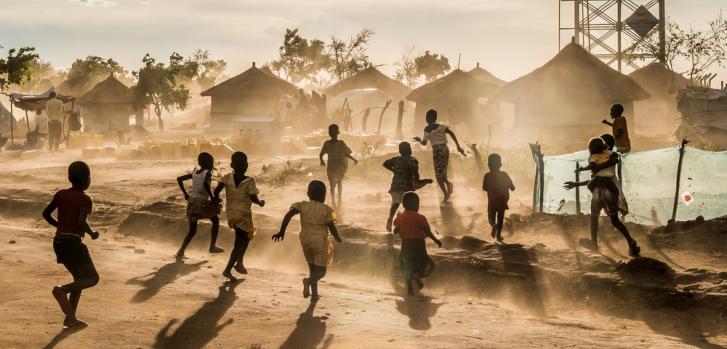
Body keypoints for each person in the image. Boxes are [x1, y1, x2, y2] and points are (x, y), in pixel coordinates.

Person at [42, 161, 100, 328]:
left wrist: (59, 226)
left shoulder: (61, 194)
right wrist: (92, 233)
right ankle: (62, 290)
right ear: (88, 180)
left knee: (79, 279)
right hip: (74, 243)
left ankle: (70, 318)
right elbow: (81, 222)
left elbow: (46, 213)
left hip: (58, 242)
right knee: (92, 278)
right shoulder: (85, 198)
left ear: (69, 178)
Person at [565, 138, 640, 257]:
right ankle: (630, 242)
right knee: (615, 220)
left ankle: (594, 244)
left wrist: (587, 171)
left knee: (594, 217)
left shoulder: (594, 158)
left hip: (598, 188)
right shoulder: (611, 156)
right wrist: (578, 182)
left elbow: (595, 175)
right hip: (610, 188)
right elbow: (604, 170)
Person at [272, 180, 342, 301]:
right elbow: (331, 225)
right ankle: (308, 282)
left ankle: (314, 295)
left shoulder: (302, 205)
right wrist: (337, 237)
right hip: (319, 242)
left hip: (305, 240)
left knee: (313, 269)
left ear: (308, 193)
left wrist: (282, 231)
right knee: (321, 272)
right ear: (324, 196)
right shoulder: (326, 209)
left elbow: (288, 215)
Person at [214, 151, 265, 282]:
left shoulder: (227, 177)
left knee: (247, 236)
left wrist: (216, 200)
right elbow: (253, 198)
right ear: (246, 165)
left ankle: (240, 262)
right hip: (243, 215)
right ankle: (228, 269)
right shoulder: (249, 180)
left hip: (231, 214)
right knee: (239, 243)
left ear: (231, 165)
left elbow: (216, 191)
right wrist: (260, 203)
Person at [392, 192, 442, 295]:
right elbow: (427, 231)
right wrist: (436, 240)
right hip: (419, 245)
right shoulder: (420, 217)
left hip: (406, 245)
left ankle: (410, 288)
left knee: (407, 266)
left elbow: (395, 231)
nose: (418, 206)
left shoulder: (400, 217)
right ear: (415, 205)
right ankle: (417, 275)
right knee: (429, 265)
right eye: (417, 203)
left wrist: (400, 220)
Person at [413, 109, 466, 202]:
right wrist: (458, 145)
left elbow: (424, 143)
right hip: (445, 149)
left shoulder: (427, 129)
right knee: (442, 171)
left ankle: (446, 193)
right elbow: (451, 133)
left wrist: (419, 140)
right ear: (435, 118)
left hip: (437, 151)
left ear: (427, 118)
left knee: (438, 174)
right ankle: (448, 185)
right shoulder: (442, 126)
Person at [176, 152, 223, 258]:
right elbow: (206, 184)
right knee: (215, 220)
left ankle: (181, 251)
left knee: (192, 231)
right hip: (202, 203)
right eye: (212, 162)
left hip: (192, 203)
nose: (213, 164)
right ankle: (212, 246)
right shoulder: (207, 173)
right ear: (208, 163)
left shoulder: (195, 173)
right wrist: (212, 197)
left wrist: (186, 195)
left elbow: (179, 179)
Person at [383, 141, 433, 232]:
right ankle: (409, 224)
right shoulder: (413, 161)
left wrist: (393, 170)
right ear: (410, 150)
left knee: (395, 204)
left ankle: (390, 219)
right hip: (407, 187)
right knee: (410, 207)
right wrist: (424, 181)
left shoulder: (396, 160)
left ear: (399, 151)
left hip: (396, 186)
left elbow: (385, 163)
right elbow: (416, 175)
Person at [320, 124, 358, 208]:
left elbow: (346, 154)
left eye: (333, 132)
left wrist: (354, 159)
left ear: (336, 133)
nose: (332, 133)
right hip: (331, 167)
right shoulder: (327, 143)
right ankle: (333, 201)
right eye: (331, 132)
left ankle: (339, 200)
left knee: (339, 182)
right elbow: (321, 154)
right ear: (330, 133)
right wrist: (321, 160)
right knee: (332, 184)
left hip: (339, 167)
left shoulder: (341, 143)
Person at [482, 153, 515, 243]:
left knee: (491, 217)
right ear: (500, 165)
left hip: (492, 200)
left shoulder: (487, 175)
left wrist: (492, 188)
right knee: (500, 218)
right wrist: (508, 186)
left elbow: (484, 188)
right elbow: (513, 188)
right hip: (503, 200)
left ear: (489, 165)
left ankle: (493, 225)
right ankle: (498, 235)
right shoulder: (504, 175)